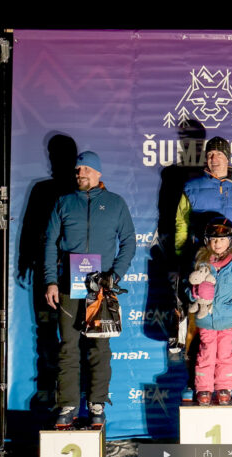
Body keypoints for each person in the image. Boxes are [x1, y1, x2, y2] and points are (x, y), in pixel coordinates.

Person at [44, 151, 136, 428]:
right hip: (69, 287)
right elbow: (50, 243)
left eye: (85, 169)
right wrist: (50, 280)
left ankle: (97, 403)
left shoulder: (115, 203)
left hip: (100, 290)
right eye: (77, 169)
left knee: (99, 346)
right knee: (68, 347)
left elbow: (129, 242)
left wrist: (114, 276)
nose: (79, 173)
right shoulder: (64, 202)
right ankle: (68, 404)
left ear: (98, 173)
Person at [174, 136, 232, 401]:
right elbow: (181, 222)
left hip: (230, 264)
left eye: (219, 155)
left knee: (229, 326)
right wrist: (184, 256)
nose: (214, 159)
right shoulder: (192, 187)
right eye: (210, 155)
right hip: (201, 262)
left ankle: (230, 379)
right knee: (199, 324)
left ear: (228, 158)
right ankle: (196, 380)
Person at [188, 217, 232, 405]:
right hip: (206, 318)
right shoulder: (200, 261)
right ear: (207, 240)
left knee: (225, 354)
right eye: (214, 239)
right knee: (206, 353)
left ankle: (224, 387)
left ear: (230, 241)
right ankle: (203, 389)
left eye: (222, 239)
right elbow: (188, 286)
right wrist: (195, 292)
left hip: (227, 319)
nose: (217, 243)